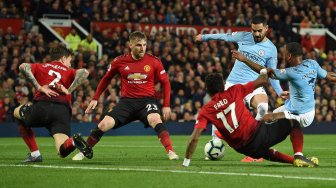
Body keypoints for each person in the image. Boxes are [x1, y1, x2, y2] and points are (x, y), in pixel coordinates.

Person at [72, 31, 179, 161]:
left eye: (145, 45)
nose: (142, 48)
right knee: (104, 124)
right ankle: (84, 151)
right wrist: (95, 98)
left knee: (156, 119)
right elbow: (105, 79)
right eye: (139, 45)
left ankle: (171, 151)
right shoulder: (119, 61)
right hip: (127, 103)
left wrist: (167, 105)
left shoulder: (154, 61)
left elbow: (166, 82)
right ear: (130, 45)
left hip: (147, 102)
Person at [195, 15, 286, 162]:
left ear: (267, 29)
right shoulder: (244, 36)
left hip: (253, 85)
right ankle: (215, 142)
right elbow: (224, 36)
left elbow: (272, 74)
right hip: (234, 83)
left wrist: (281, 93)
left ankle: (254, 145)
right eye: (254, 30)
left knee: (263, 107)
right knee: (218, 110)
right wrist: (204, 37)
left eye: (259, 31)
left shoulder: (271, 49)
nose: (256, 34)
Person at [182, 73, 318, 168]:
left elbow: (194, 138)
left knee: (265, 152)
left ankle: (294, 161)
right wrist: (264, 71)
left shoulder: (206, 110)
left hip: (245, 149)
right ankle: (299, 155)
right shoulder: (234, 91)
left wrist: (187, 161)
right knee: (293, 122)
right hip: (257, 134)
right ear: (223, 86)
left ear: (207, 90)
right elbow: (261, 81)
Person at [232, 42, 336, 159]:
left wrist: (244, 59)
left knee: (284, 121)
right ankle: (257, 150)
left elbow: (264, 71)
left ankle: (297, 156)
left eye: (285, 53)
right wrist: (295, 94)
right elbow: (329, 76)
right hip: (293, 106)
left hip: (302, 113)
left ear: (290, 56)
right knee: (264, 119)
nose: (283, 55)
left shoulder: (292, 72)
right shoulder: (312, 63)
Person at [13, 44, 93, 162]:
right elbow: (85, 72)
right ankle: (73, 141)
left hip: (42, 107)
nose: (70, 64)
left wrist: (39, 87)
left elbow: (22, 66)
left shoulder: (41, 66)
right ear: (63, 59)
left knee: (16, 112)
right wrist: (68, 90)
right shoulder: (69, 71)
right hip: (62, 111)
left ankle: (35, 154)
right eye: (70, 60)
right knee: (62, 150)